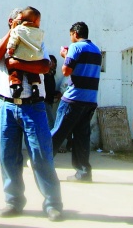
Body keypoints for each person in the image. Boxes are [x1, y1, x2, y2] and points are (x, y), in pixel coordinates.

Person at [0, 8, 63, 222]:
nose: (27, 26)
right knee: (8, 157)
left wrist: (16, 63)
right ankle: (13, 201)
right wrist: (11, 33)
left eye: (30, 22)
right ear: (11, 21)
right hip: (7, 106)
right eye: (22, 21)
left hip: (34, 106)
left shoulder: (36, 40)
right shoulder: (3, 41)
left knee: (41, 156)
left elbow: (44, 66)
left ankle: (52, 203)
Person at [51, 21, 101, 182]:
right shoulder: (96, 50)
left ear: (75, 34)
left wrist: (65, 56)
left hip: (73, 98)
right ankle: (83, 172)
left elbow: (66, 70)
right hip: (90, 99)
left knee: (59, 131)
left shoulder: (75, 47)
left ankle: (41, 161)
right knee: (82, 136)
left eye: (71, 35)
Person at [6, 6, 44, 99]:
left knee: (15, 71)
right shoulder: (40, 32)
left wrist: (10, 49)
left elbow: (13, 40)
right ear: (35, 21)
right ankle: (35, 86)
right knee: (33, 72)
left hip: (20, 56)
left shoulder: (18, 30)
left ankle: (17, 85)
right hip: (35, 57)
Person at [44, 55, 59, 129]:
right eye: (52, 62)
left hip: (49, 102)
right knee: (50, 123)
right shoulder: (44, 75)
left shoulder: (51, 75)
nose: (54, 64)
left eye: (54, 62)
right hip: (45, 102)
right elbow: (47, 89)